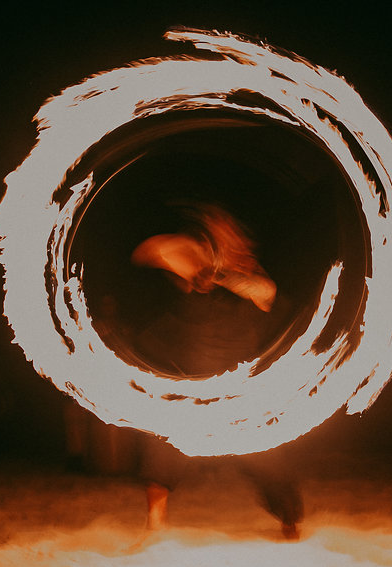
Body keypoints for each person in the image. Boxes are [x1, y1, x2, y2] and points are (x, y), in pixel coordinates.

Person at [130, 205, 304, 540]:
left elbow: (265, 292)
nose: (231, 242)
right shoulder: (192, 263)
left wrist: (221, 275)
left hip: (237, 387)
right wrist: (197, 262)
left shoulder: (249, 274)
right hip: (191, 380)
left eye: (235, 238)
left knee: (268, 458)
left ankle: (290, 522)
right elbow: (148, 252)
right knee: (161, 448)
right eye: (221, 235)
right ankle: (155, 525)